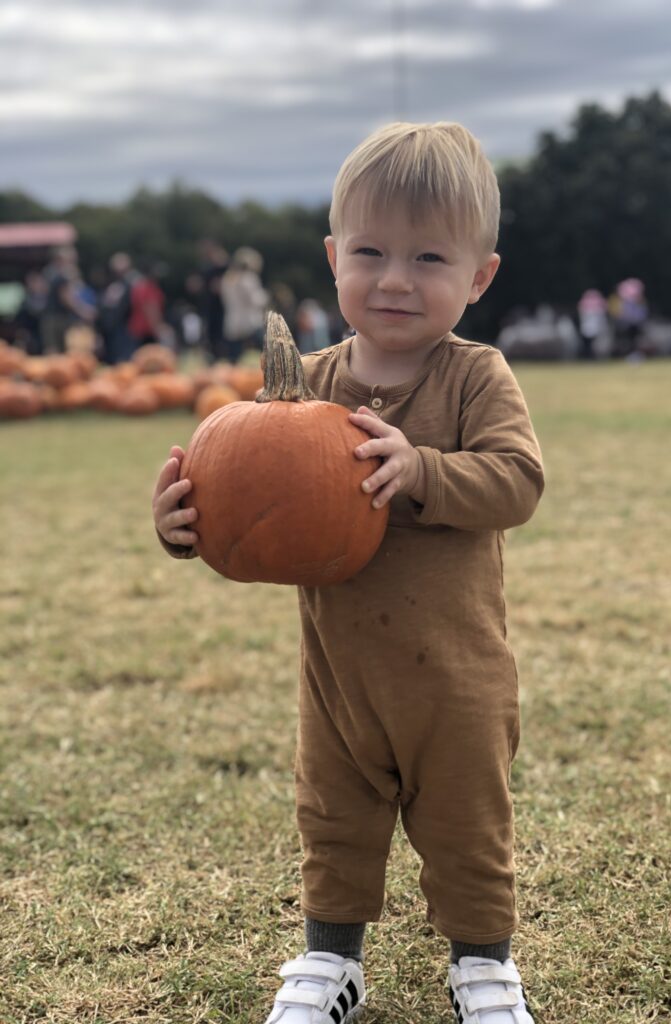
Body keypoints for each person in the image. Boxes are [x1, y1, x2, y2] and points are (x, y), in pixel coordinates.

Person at [152, 121, 544, 1024]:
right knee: (333, 820)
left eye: (429, 258)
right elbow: (258, 507)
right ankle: (332, 960)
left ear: (479, 276)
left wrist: (423, 470)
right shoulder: (303, 386)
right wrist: (186, 525)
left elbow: (519, 481)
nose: (396, 278)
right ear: (334, 258)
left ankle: (484, 965)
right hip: (337, 678)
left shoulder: (475, 377)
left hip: (456, 676)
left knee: (466, 827)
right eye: (370, 251)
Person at [220, 246, 269, 362]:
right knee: (258, 355)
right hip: (250, 324)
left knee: (235, 357)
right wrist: (266, 296)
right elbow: (256, 300)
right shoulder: (249, 278)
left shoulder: (227, 278)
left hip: (232, 323)